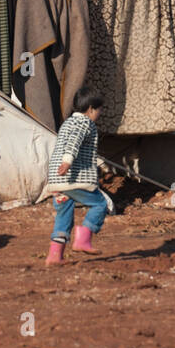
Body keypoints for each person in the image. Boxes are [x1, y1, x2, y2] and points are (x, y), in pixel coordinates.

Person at [45, 87, 108, 265]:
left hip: (58, 181)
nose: (100, 114)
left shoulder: (68, 122)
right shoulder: (84, 123)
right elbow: (74, 142)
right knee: (99, 204)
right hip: (73, 178)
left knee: (64, 215)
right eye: (99, 109)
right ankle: (83, 239)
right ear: (90, 109)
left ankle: (54, 256)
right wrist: (68, 161)